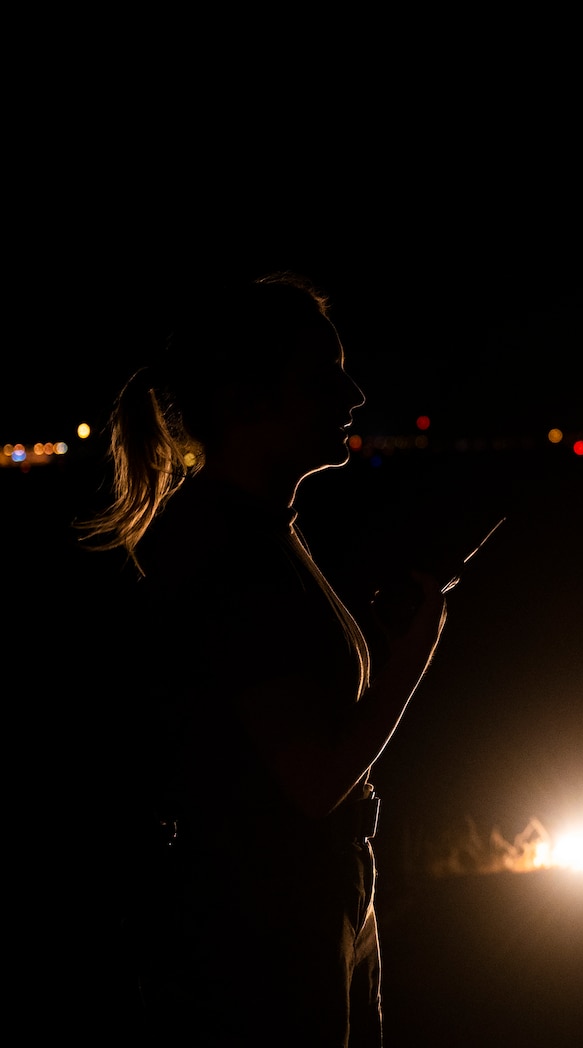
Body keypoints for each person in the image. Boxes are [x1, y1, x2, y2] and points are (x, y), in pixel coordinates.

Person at [78, 273, 447, 1046]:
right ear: (247, 401)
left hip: (304, 902)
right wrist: (412, 660)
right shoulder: (225, 551)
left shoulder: (260, 530)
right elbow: (312, 782)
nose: (352, 395)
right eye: (322, 378)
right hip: (266, 927)